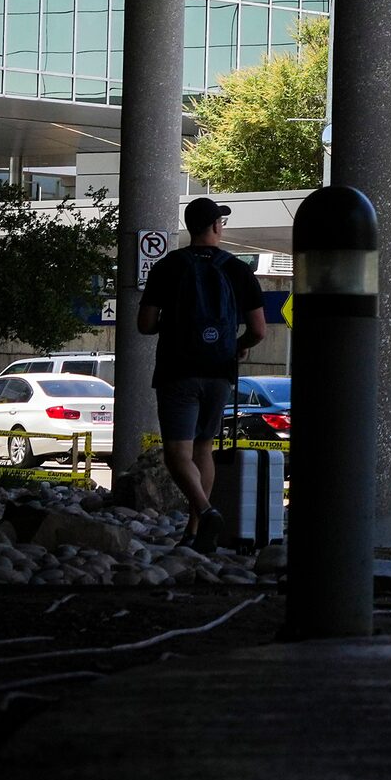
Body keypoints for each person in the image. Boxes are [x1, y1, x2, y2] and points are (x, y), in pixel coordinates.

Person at [136, 195, 268, 552]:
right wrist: (236, 344)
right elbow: (258, 330)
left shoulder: (168, 267)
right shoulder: (239, 270)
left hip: (177, 372)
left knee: (176, 453)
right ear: (215, 227)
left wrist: (175, 323)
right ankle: (194, 532)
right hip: (219, 372)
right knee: (203, 448)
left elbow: (145, 324)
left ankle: (206, 512)